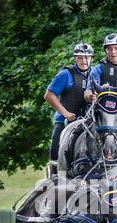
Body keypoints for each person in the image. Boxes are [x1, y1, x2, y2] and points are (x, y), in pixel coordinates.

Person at [44, 43, 94, 176]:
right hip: (65, 120)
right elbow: (49, 95)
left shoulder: (95, 74)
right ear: (75, 59)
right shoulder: (65, 74)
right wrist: (65, 113)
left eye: (87, 57)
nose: (84, 61)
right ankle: (54, 173)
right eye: (80, 58)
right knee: (56, 148)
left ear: (92, 59)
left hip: (88, 120)